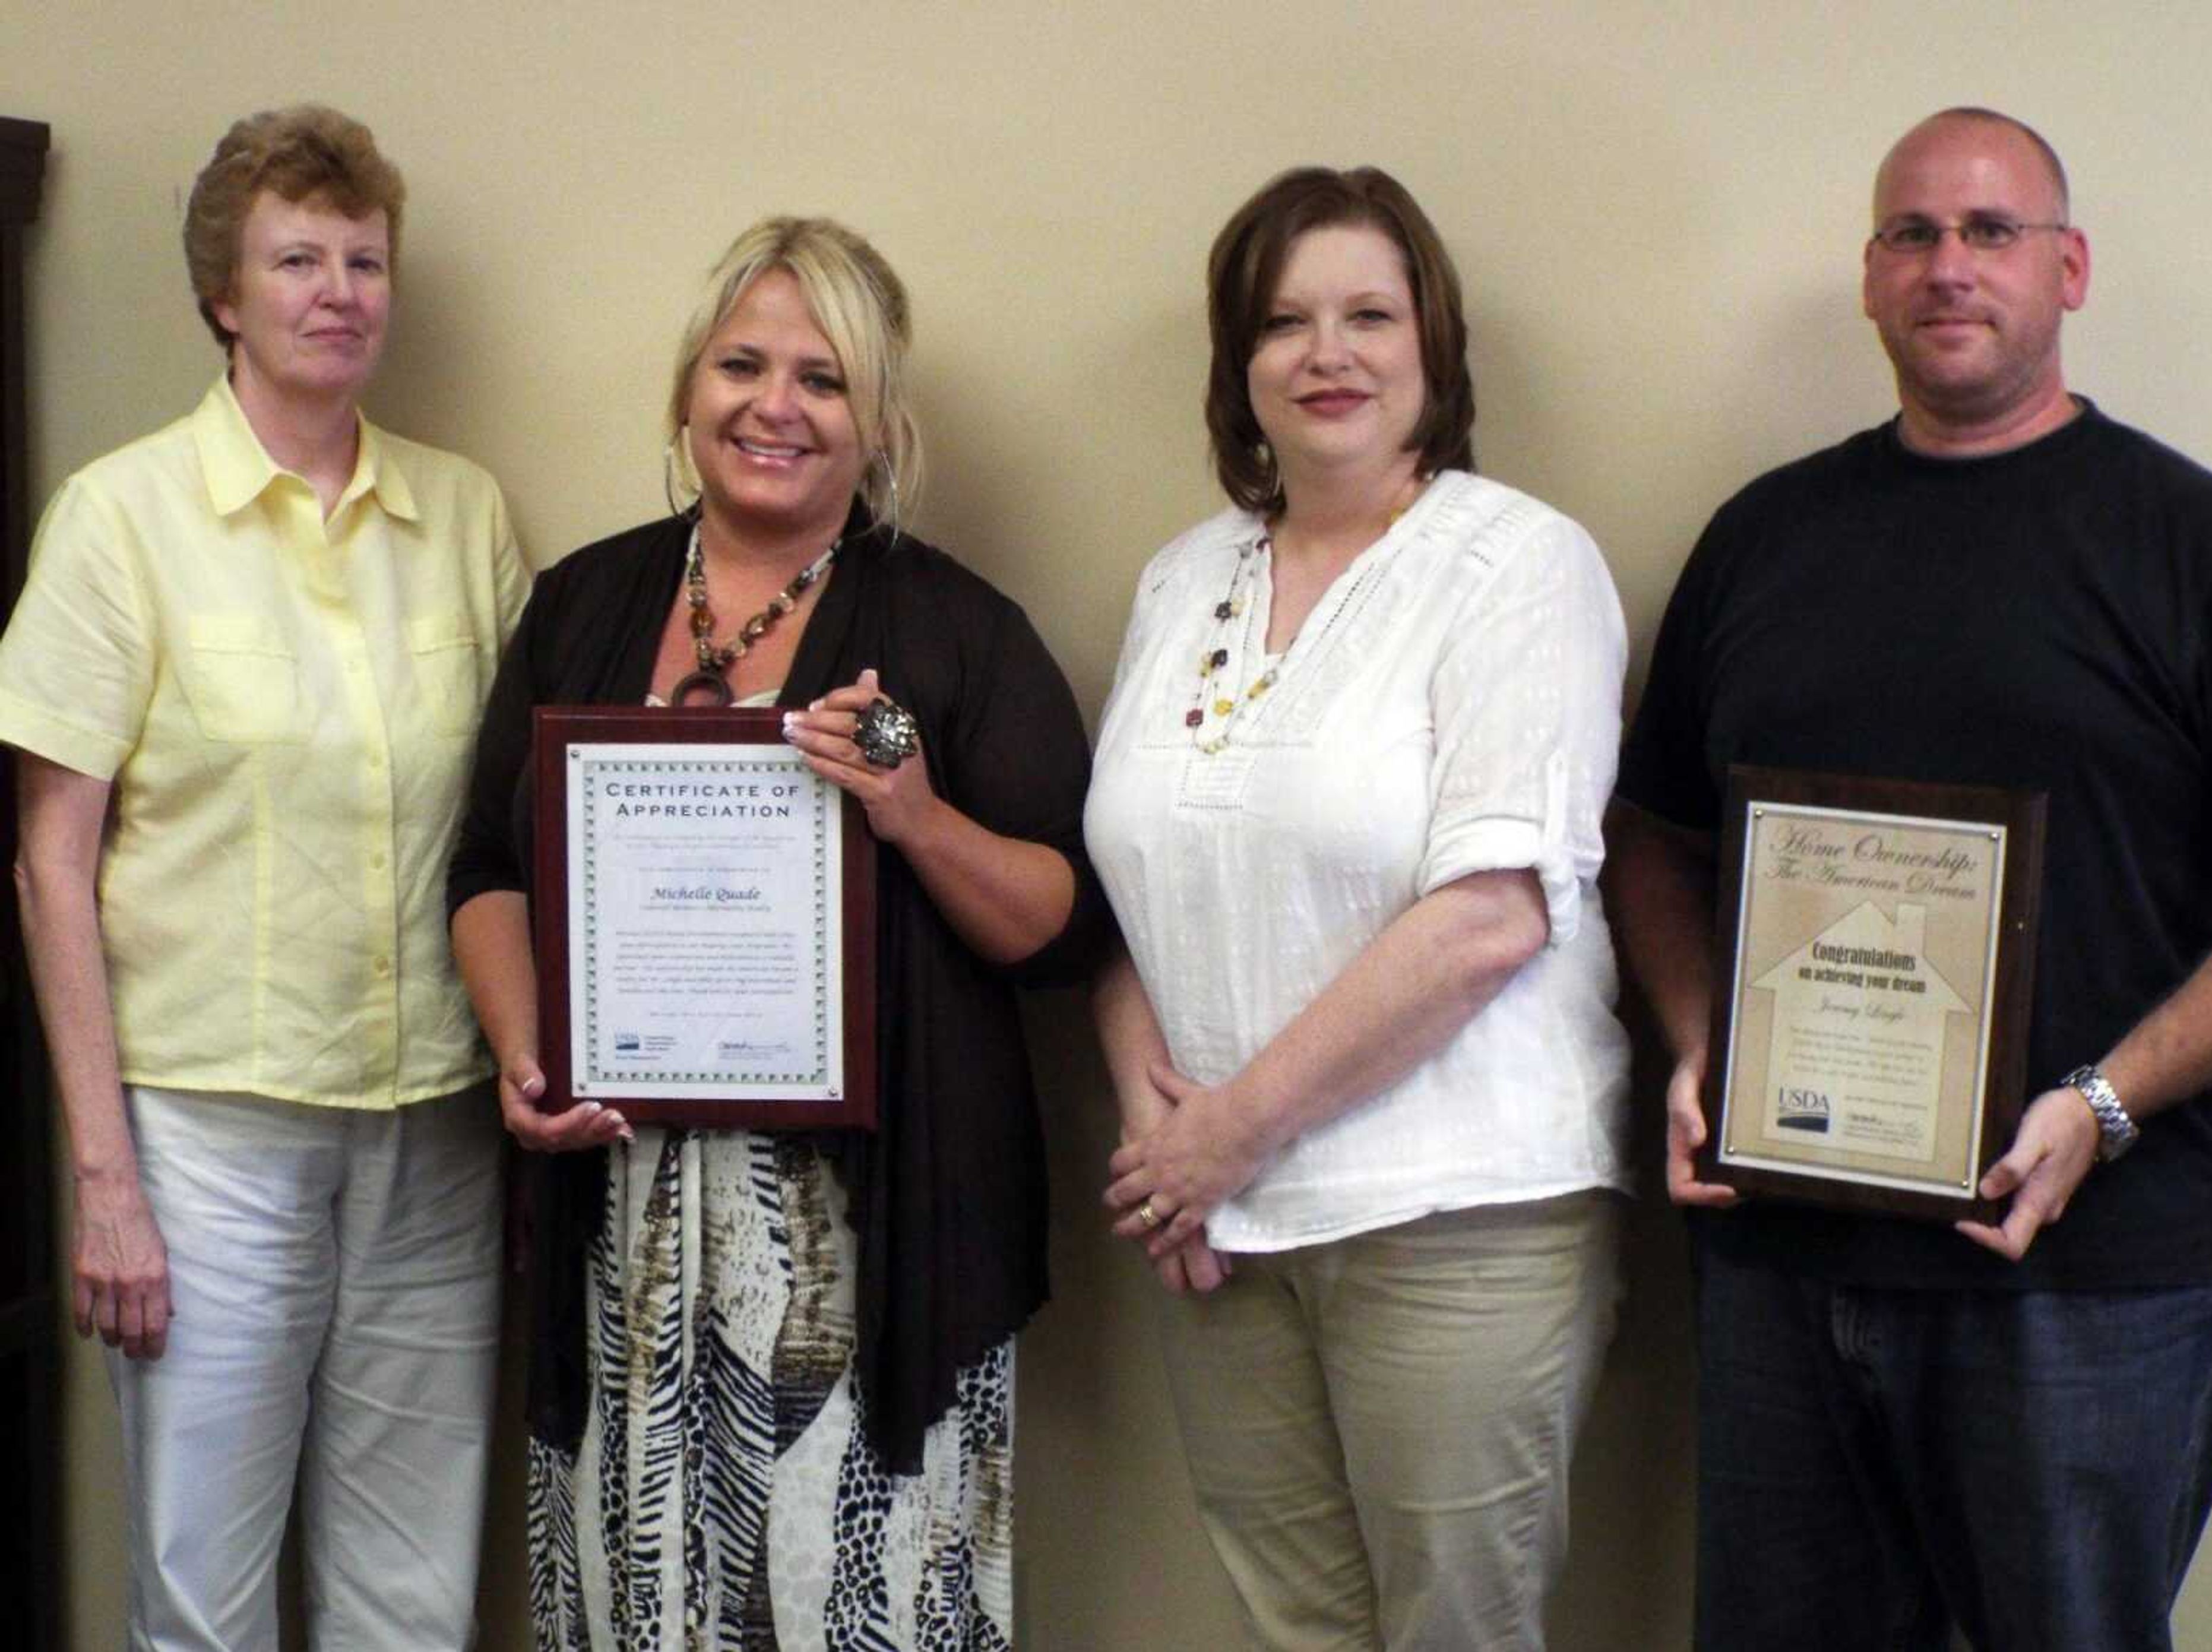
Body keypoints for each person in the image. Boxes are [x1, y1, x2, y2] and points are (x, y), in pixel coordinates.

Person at [1607, 106, 2212, 1651]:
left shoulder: (2209, 549)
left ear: (2070, 268)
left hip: (2086, 1274)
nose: (1949, 266)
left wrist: (2105, 1103)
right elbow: (1653, 835)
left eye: (1991, 232)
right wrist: (1706, 1036)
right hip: (1784, 1262)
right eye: (1913, 233)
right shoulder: (1765, 537)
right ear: (1869, 277)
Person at [448, 215, 1107, 1651]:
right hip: (622, 1213)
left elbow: (1060, 923)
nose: (776, 405)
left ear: (876, 421)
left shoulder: (955, 630)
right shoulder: (584, 603)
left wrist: (916, 813)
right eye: (742, 364)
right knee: (638, 1593)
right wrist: (523, 1048)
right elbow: (490, 867)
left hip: (874, 1240)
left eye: (823, 378)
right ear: (689, 388)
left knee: (853, 1597)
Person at [1084, 166, 1630, 1651]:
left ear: (1433, 349)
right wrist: (1158, 1130)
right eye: (1285, 321)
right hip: (1220, 1221)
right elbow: (1136, 882)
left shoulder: (1519, 565)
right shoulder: (1182, 577)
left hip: (1454, 1213)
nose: (1327, 353)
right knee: (1297, 1632)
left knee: (1453, 1632)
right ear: (1239, 364)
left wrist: (1229, 1130)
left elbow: (1495, 914)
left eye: (1369, 314)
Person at [0, 106, 526, 1648]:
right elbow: (50, 861)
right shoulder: (121, 517)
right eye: (297, 256)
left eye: (366, 257)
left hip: (432, 1129)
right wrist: (105, 1180)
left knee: (411, 1588)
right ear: (224, 293)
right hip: (208, 1138)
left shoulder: (468, 517)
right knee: (199, 1589)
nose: (341, 288)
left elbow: (513, 832)